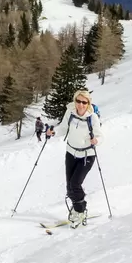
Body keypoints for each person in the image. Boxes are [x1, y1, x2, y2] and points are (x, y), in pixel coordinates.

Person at [46, 89, 102, 225]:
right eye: (78, 101)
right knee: (69, 187)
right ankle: (78, 208)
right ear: (75, 100)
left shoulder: (92, 117)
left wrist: (97, 140)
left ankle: (80, 211)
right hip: (71, 152)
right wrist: (52, 132)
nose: (80, 104)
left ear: (88, 103)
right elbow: (63, 129)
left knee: (75, 184)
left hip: (87, 155)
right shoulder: (70, 112)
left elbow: (100, 135)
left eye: (84, 102)